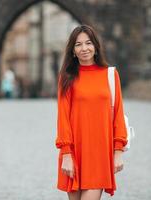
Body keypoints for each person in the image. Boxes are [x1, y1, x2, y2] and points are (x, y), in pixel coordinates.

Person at [55, 25, 128, 200]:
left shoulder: (110, 75)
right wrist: (66, 154)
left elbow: (118, 114)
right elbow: (63, 117)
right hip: (74, 152)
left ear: (95, 47)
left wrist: (118, 152)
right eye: (78, 45)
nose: (84, 48)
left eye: (88, 43)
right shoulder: (67, 77)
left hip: (99, 153)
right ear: (73, 51)